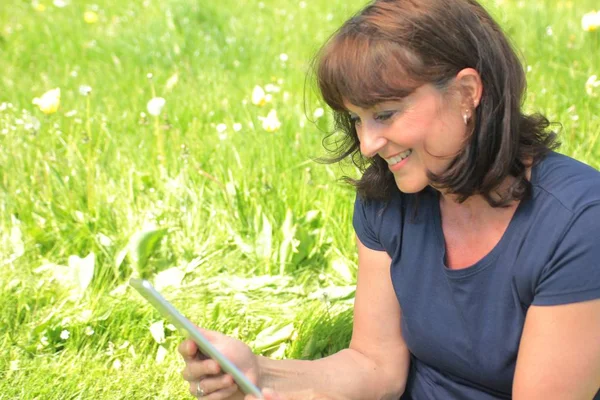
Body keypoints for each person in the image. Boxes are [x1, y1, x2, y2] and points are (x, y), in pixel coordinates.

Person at [179, 0, 600, 398]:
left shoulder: (578, 222)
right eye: (356, 118)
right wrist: (257, 372)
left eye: (385, 113)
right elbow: (375, 366)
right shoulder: (391, 197)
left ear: (467, 92)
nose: (366, 144)